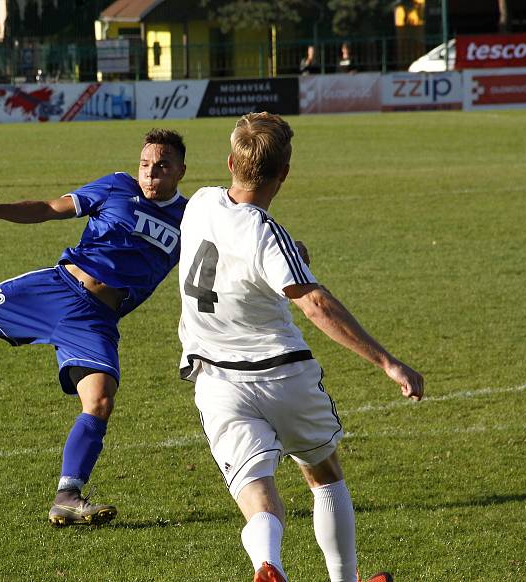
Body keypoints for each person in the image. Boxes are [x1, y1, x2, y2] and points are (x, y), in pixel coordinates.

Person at [178, 113, 424, 582]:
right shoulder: (267, 234)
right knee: (323, 471)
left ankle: (268, 565)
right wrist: (388, 362)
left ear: (231, 161)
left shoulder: (201, 204)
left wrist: (291, 253)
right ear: (284, 175)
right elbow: (314, 303)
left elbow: (230, 251)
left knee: (257, 494)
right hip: (282, 375)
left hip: (216, 380)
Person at [0, 129, 187, 527]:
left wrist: (290, 249)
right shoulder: (116, 187)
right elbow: (49, 208)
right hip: (56, 287)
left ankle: (67, 496)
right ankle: (16, 326)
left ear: (180, 171)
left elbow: (237, 240)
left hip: (95, 320)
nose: (150, 174)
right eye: (145, 165)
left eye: (162, 166)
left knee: (101, 400)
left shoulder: (191, 218)